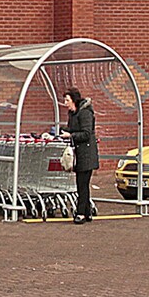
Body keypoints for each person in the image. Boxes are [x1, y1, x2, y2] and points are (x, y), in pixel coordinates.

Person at [64, 88, 100, 223]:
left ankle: (81, 213)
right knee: (82, 184)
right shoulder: (73, 114)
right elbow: (72, 128)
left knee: (82, 184)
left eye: (67, 100)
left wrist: (71, 135)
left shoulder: (85, 113)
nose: (65, 103)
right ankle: (87, 212)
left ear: (74, 100)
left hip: (86, 153)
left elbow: (86, 133)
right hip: (79, 154)